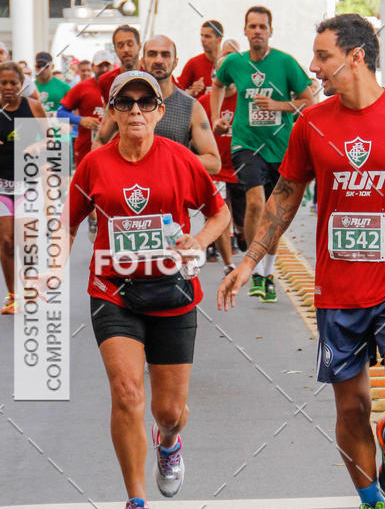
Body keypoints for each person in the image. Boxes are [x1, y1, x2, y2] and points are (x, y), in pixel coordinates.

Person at [218, 14, 385, 509]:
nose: (313, 67)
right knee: (351, 408)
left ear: (356, 56)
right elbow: (285, 194)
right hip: (338, 292)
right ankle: (370, 506)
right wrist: (250, 258)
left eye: (323, 57)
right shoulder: (312, 124)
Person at [64, 70, 230, 509]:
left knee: (169, 411)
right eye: (126, 102)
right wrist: (51, 270)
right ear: (112, 111)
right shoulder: (95, 164)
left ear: (159, 111)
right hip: (113, 291)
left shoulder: (181, 160)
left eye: (145, 102)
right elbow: (68, 221)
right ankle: (137, 506)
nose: (135, 110)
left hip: (172, 292)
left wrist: (197, 242)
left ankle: (170, 441)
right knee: (126, 392)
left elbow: (220, 213)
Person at [211, 6, 314, 303]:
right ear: (244, 31)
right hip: (245, 144)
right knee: (255, 202)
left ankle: (265, 274)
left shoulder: (285, 63)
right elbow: (218, 85)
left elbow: (309, 101)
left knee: (274, 214)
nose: (257, 31)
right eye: (252, 26)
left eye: (262, 27)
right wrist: (217, 117)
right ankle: (255, 268)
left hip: (281, 148)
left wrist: (279, 107)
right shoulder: (234, 62)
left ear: (271, 31)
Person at [93, 35, 221, 175]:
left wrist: (169, 158)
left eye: (165, 55)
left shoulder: (190, 106)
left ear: (175, 62)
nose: (158, 60)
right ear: (142, 61)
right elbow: (99, 143)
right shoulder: (123, 101)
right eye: (152, 54)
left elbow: (214, 163)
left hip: (172, 191)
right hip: (130, 190)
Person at [0, 61, 46, 314]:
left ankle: (30, 288)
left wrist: (37, 147)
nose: (8, 88)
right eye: (3, 83)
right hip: (1, 186)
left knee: (26, 238)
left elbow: (51, 139)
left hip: (28, 183)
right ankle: (13, 295)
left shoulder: (33, 107)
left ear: (21, 85)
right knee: (6, 241)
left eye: (13, 83)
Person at [200, 39, 247, 274]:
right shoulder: (202, 104)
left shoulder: (246, 99)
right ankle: (229, 264)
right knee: (220, 214)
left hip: (240, 166)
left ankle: (241, 232)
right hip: (215, 168)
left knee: (242, 222)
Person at [57, 50, 113, 240]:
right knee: (90, 186)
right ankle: (94, 218)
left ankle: (110, 223)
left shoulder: (120, 85)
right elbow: (61, 113)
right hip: (86, 146)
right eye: (100, 65)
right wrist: (80, 120)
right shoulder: (82, 88)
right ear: (93, 68)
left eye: (107, 65)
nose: (104, 69)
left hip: (114, 146)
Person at [177, 20, 223, 97]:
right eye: (201, 36)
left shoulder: (229, 63)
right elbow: (177, 94)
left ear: (219, 39)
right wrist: (192, 91)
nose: (203, 40)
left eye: (207, 36)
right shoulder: (193, 63)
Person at [97, 25, 141, 104]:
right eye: (120, 46)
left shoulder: (153, 77)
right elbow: (108, 111)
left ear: (139, 46)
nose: (125, 50)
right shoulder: (105, 81)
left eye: (130, 44)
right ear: (115, 49)